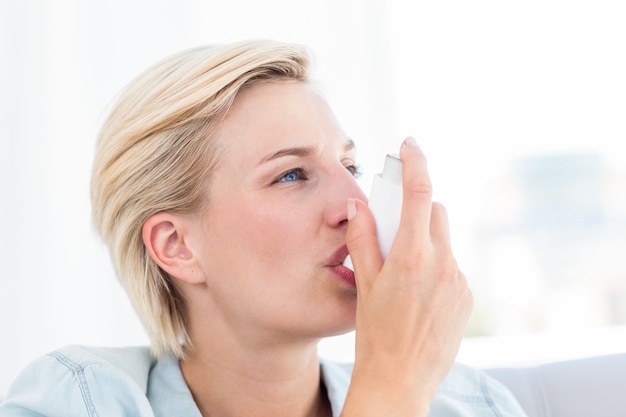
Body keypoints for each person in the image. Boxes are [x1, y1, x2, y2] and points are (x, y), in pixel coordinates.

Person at [0, 40, 527, 417]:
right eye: (291, 174)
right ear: (177, 245)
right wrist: (388, 389)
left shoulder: (471, 404)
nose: (356, 204)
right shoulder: (79, 401)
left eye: (352, 167)